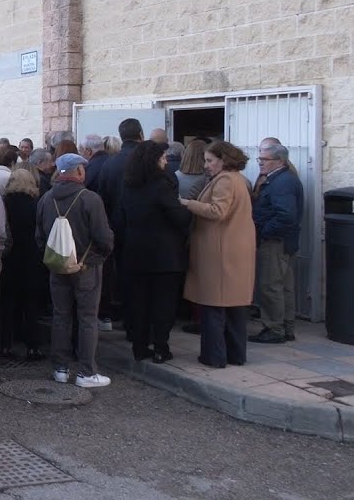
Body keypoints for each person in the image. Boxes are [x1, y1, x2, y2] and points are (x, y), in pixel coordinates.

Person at [35, 153, 114, 388]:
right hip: (86, 267)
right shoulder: (90, 198)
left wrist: (52, 260)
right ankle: (86, 372)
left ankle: (60, 368)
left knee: (61, 317)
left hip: (57, 267)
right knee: (87, 318)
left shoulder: (46, 199)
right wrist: (95, 259)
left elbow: (39, 237)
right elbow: (103, 237)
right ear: (78, 171)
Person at [180, 141, 256, 368]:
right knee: (234, 309)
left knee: (213, 306)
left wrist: (187, 203)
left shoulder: (225, 180)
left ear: (224, 160)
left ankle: (214, 357)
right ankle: (236, 355)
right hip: (234, 251)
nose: (206, 165)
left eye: (210, 160)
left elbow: (217, 211)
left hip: (220, 252)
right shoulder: (238, 179)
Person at [118, 141, 191, 363]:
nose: (166, 161)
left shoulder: (129, 185)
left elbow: (121, 217)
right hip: (163, 255)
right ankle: (161, 347)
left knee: (139, 303)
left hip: (134, 252)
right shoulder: (161, 186)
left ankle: (140, 347)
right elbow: (179, 218)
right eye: (162, 157)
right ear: (153, 160)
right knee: (163, 303)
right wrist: (187, 210)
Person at [93, 118, 144, 333]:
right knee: (140, 277)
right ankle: (136, 321)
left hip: (116, 226)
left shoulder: (109, 164)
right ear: (141, 134)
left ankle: (122, 313)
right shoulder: (145, 161)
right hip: (142, 229)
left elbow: (102, 198)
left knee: (119, 274)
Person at [250, 142, 304, 344]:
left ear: (279, 161)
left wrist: (264, 231)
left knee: (271, 286)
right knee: (283, 286)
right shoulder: (283, 179)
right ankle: (285, 327)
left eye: (265, 160)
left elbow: (285, 215)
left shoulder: (281, 182)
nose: (260, 163)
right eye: (260, 159)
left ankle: (274, 328)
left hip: (275, 242)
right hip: (284, 241)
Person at [0, 168, 46, 362]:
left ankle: (5, 346)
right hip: (32, 259)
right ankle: (33, 347)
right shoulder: (36, 204)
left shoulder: (4, 203)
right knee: (31, 305)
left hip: (10, 259)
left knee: (7, 305)